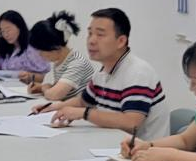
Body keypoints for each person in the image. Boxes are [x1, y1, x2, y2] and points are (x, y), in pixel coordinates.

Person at [49, 8, 169, 137]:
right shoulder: (103, 71)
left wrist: (84, 113)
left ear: (121, 41)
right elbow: (83, 102)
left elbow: (131, 122)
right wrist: (55, 107)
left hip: (141, 147)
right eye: (90, 33)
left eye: (100, 35)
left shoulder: (138, 72)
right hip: (112, 141)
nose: (91, 41)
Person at [23, 10, 95, 108]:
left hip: (81, 113)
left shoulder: (77, 63)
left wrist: (45, 88)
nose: (39, 54)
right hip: (69, 109)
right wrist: (41, 87)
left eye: (41, 50)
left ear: (55, 46)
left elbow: (55, 95)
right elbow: (60, 88)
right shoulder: (61, 62)